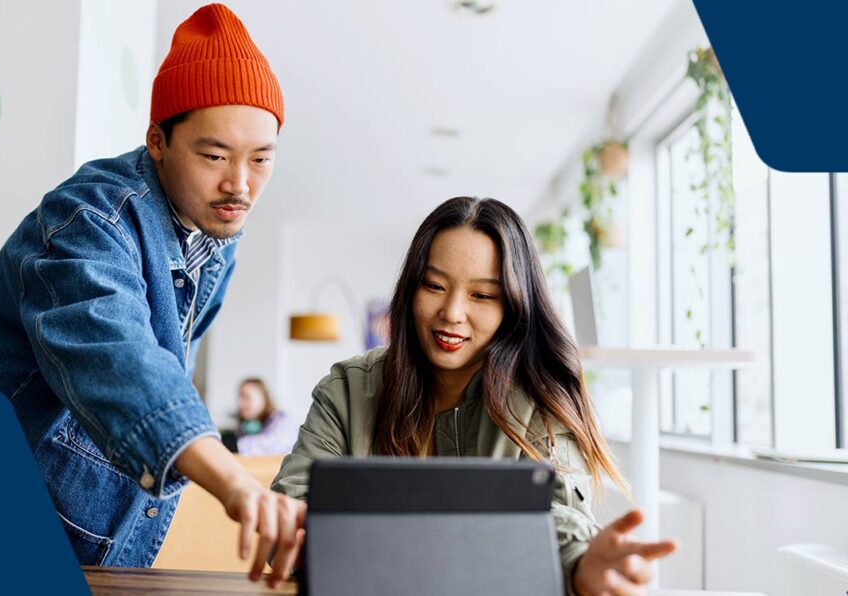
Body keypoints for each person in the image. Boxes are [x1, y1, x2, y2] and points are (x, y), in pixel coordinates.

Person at [0, 4, 303, 587]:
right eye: (214, 156)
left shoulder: (215, 235)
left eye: (261, 159)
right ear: (157, 141)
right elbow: (121, 361)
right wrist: (235, 482)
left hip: (95, 549)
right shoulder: (85, 221)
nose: (240, 184)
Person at [272, 197, 677, 595]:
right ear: (411, 289)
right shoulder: (347, 388)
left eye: (482, 295)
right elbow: (289, 510)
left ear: (515, 306)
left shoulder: (540, 396)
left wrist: (580, 566)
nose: (451, 312)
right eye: (434, 285)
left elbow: (557, 518)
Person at [234, 378, 297, 455]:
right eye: (239, 397)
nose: (240, 403)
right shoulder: (245, 425)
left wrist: (235, 445)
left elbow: (274, 445)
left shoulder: (281, 419)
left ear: (263, 398)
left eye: (246, 397)